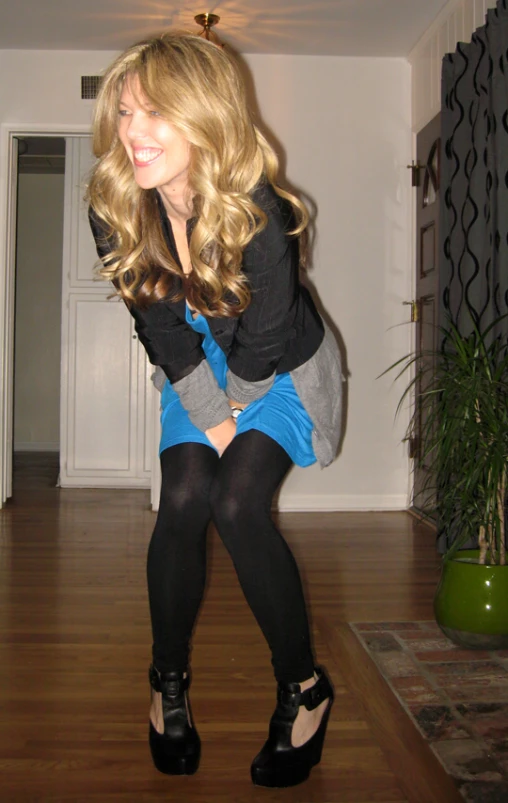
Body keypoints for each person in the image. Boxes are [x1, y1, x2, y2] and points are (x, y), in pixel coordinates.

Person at [87, 32, 342, 789]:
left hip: (281, 367)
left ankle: (304, 687)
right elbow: (160, 329)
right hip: (191, 361)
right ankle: (167, 682)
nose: (133, 131)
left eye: (156, 111)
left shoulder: (263, 213)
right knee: (186, 496)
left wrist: (231, 426)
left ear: (205, 116)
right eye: (126, 111)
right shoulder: (116, 208)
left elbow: (262, 349)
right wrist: (210, 414)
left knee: (235, 501)